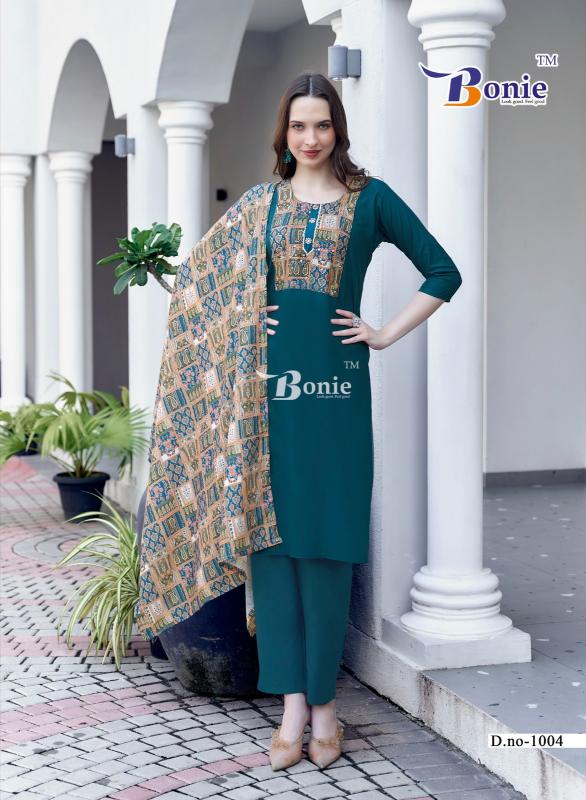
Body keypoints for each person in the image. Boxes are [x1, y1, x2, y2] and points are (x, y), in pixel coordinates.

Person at [249, 73, 463, 771]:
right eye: (298, 126)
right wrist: (246, 320)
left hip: (336, 393)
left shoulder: (369, 199)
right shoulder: (260, 204)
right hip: (269, 395)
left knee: (327, 543)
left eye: (322, 125)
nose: (310, 138)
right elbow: (206, 285)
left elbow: (443, 271)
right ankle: (291, 707)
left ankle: (325, 706)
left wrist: (383, 333)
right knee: (274, 546)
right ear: (283, 133)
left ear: (338, 129)